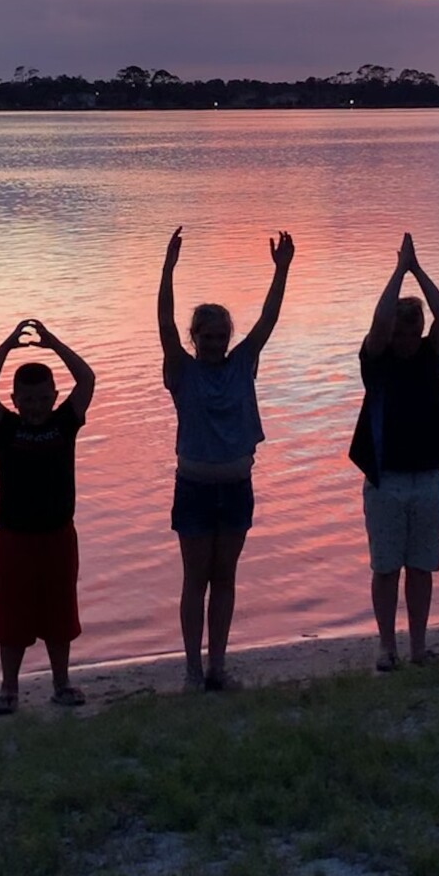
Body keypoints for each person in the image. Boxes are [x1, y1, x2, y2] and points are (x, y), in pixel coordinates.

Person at [158, 225, 294, 692]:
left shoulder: (242, 363)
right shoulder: (182, 371)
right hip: (194, 488)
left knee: (226, 577)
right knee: (196, 578)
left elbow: (268, 320)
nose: (215, 342)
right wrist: (168, 269)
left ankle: (218, 665)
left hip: (235, 487)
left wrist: (282, 271)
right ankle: (193, 670)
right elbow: (163, 323)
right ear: (195, 337)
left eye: (221, 335)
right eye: (207, 336)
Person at [349, 233, 439, 671]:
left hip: (429, 479)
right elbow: (378, 324)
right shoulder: (375, 364)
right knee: (385, 569)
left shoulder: (429, 358)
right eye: (399, 331)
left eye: (410, 329)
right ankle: (387, 648)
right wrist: (398, 271)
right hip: (387, 480)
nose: (404, 337)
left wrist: (418, 269)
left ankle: (418, 648)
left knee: (421, 568)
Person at [0, 317, 96, 714]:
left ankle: (61, 684)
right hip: (14, 539)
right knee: (11, 619)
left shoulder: (66, 422)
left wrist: (54, 344)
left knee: (60, 613)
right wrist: (8, 345)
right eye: (28, 400)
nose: (36, 407)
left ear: (53, 395)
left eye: (43, 398)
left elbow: (87, 378)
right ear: (15, 400)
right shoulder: (4, 429)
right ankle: (9, 688)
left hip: (59, 535)